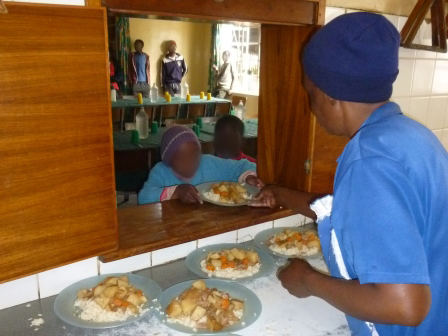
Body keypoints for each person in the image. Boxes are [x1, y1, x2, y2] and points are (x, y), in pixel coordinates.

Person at [251, 13, 448, 336]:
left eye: (310, 93)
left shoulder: (368, 161)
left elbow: (405, 306)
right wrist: (281, 193)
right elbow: (359, 212)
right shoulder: (409, 136)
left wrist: (309, 281)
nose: (311, 106)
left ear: (331, 96)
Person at [138, 125, 262, 204]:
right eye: (182, 157)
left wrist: (249, 176)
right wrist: (175, 192)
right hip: (174, 228)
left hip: (209, 223)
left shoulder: (208, 163)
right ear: (169, 160)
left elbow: (242, 166)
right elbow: (143, 197)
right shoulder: (161, 171)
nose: (190, 161)